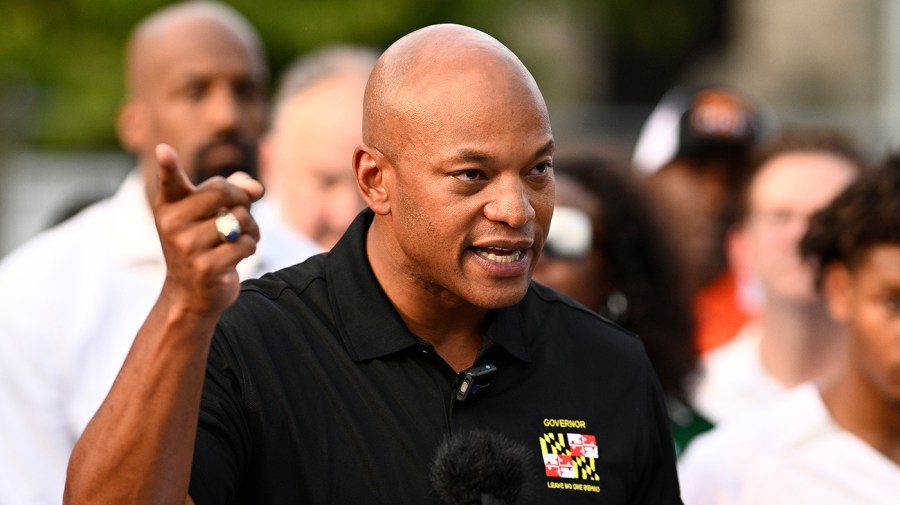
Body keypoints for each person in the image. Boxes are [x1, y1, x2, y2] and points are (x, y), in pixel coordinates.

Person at [64, 24, 683, 504]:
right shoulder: (248, 348)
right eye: (472, 175)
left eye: (538, 169)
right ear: (375, 179)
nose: (516, 209)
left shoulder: (609, 367)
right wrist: (183, 307)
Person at [0, 2, 273, 503]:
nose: (227, 116)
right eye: (195, 91)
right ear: (133, 122)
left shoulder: (315, 266)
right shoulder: (31, 294)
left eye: (247, 91)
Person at [677, 154, 900, 505]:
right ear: (841, 288)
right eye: (893, 302)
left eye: (820, 218)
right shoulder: (735, 459)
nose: (801, 235)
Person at [532, 155, 711, 456]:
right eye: (516, 232)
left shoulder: (689, 443)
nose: (531, 255)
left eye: (561, 237)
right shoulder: (454, 400)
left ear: (615, 270)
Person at [690, 125, 865, 423]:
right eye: (779, 217)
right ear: (739, 247)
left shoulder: (889, 394)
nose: (801, 234)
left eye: (826, 219)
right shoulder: (698, 397)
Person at [632, 85, 766, 355]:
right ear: (647, 179)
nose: (717, 198)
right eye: (696, 170)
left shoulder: (773, 320)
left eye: (737, 178)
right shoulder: (596, 294)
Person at [256, 44, 379, 253]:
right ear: (269, 164)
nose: (347, 215)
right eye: (326, 182)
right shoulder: (226, 265)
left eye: (373, 181)